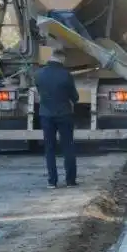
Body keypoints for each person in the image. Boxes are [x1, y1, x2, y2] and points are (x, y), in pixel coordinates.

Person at [33, 49, 79, 188]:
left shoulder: (39, 74)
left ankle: (52, 181)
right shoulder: (66, 75)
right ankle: (70, 180)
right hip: (64, 114)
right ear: (62, 59)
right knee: (68, 147)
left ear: (51, 58)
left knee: (50, 149)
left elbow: (39, 91)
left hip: (46, 115)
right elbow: (75, 97)